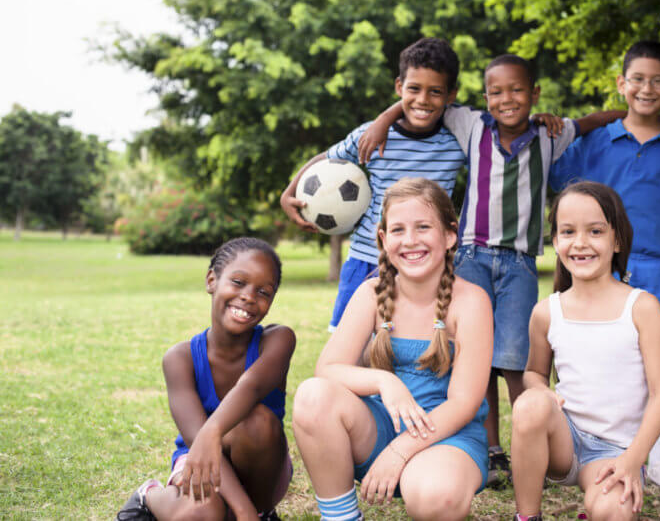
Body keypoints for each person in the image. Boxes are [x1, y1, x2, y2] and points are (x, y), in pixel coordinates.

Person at [358, 54, 660, 486]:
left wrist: (650, 120)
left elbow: (594, 119)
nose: (508, 99)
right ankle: (490, 449)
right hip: (471, 254)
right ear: (484, 98)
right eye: (497, 92)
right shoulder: (470, 125)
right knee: (476, 357)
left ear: (535, 94)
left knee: (515, 357)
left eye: (518, 90)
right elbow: (423, 100)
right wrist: (380, 122)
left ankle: (530, 444)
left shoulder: (549, 135)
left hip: (520, 261)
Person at [549, 40, 660, 492]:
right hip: (601, 266)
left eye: (658, 80)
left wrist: (652, 241)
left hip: (658, 268)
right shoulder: (598, 140)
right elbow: (561, 183)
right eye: (637, 78)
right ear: (622, 84)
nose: (647, 88)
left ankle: (657, 458)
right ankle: (586, 446)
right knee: (599, 355)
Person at [292, 178, 493, 521]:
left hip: (447, 437)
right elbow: (328, 369)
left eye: (423, 227)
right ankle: (341, 517)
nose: (410, 240)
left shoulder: (471, 301)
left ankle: (430, 482)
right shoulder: (372, 293)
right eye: (398, 230)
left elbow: (463, 404)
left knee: (435, 498)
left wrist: (401, 451)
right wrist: (386, 383)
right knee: (313, 396)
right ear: (384, 241)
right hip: (380, 428)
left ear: (450, 235)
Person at [510, 181, 660, 521]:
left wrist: (633, 459)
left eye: (595, 231)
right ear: (555, 242)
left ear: (617, 239)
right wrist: (541, 393)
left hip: (615, 452)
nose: (580, 243)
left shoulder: (642, 308)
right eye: (568, 232)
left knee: (613, 512)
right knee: (529, 404)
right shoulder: (547, 311)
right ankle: (527, 517)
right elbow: (534, 373)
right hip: (563, 442)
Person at [279, 37, 466, 333]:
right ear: (398, 87)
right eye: (414, 89)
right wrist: (288, 194)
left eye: (435, 92)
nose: (423, 100)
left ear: (451, 95)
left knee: (410, 345)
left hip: (424, 264)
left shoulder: (458, 141)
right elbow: (327, 157)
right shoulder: (373, 135)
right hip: (367, 258)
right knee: (351, 347)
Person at [116, 238, 296, 521]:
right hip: (201, 458)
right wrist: (243, 511)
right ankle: (150, 496)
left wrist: (212, 430)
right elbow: (197, 437)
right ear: (212, 280)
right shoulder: (180, 359)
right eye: (238, 282)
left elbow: (252, 386)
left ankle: (260, 512)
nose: (249, 296)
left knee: (258, 421)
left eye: (263, 291)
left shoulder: (278, 340)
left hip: (261, 468)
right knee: (206, 510)